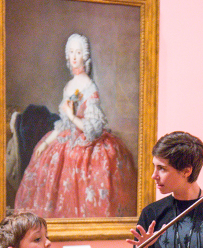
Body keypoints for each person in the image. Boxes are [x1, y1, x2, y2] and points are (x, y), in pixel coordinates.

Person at [14, 33, 137, 218]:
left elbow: (92, 129)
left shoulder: (89, 87)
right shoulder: (69, 86)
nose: (73, 56)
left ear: (84, 56)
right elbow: (64, 124)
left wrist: (72, 116)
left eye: (78, 52)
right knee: (44, 158)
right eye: (71, 52)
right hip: (67, 137)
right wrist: (47, 144)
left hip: (87, 143)